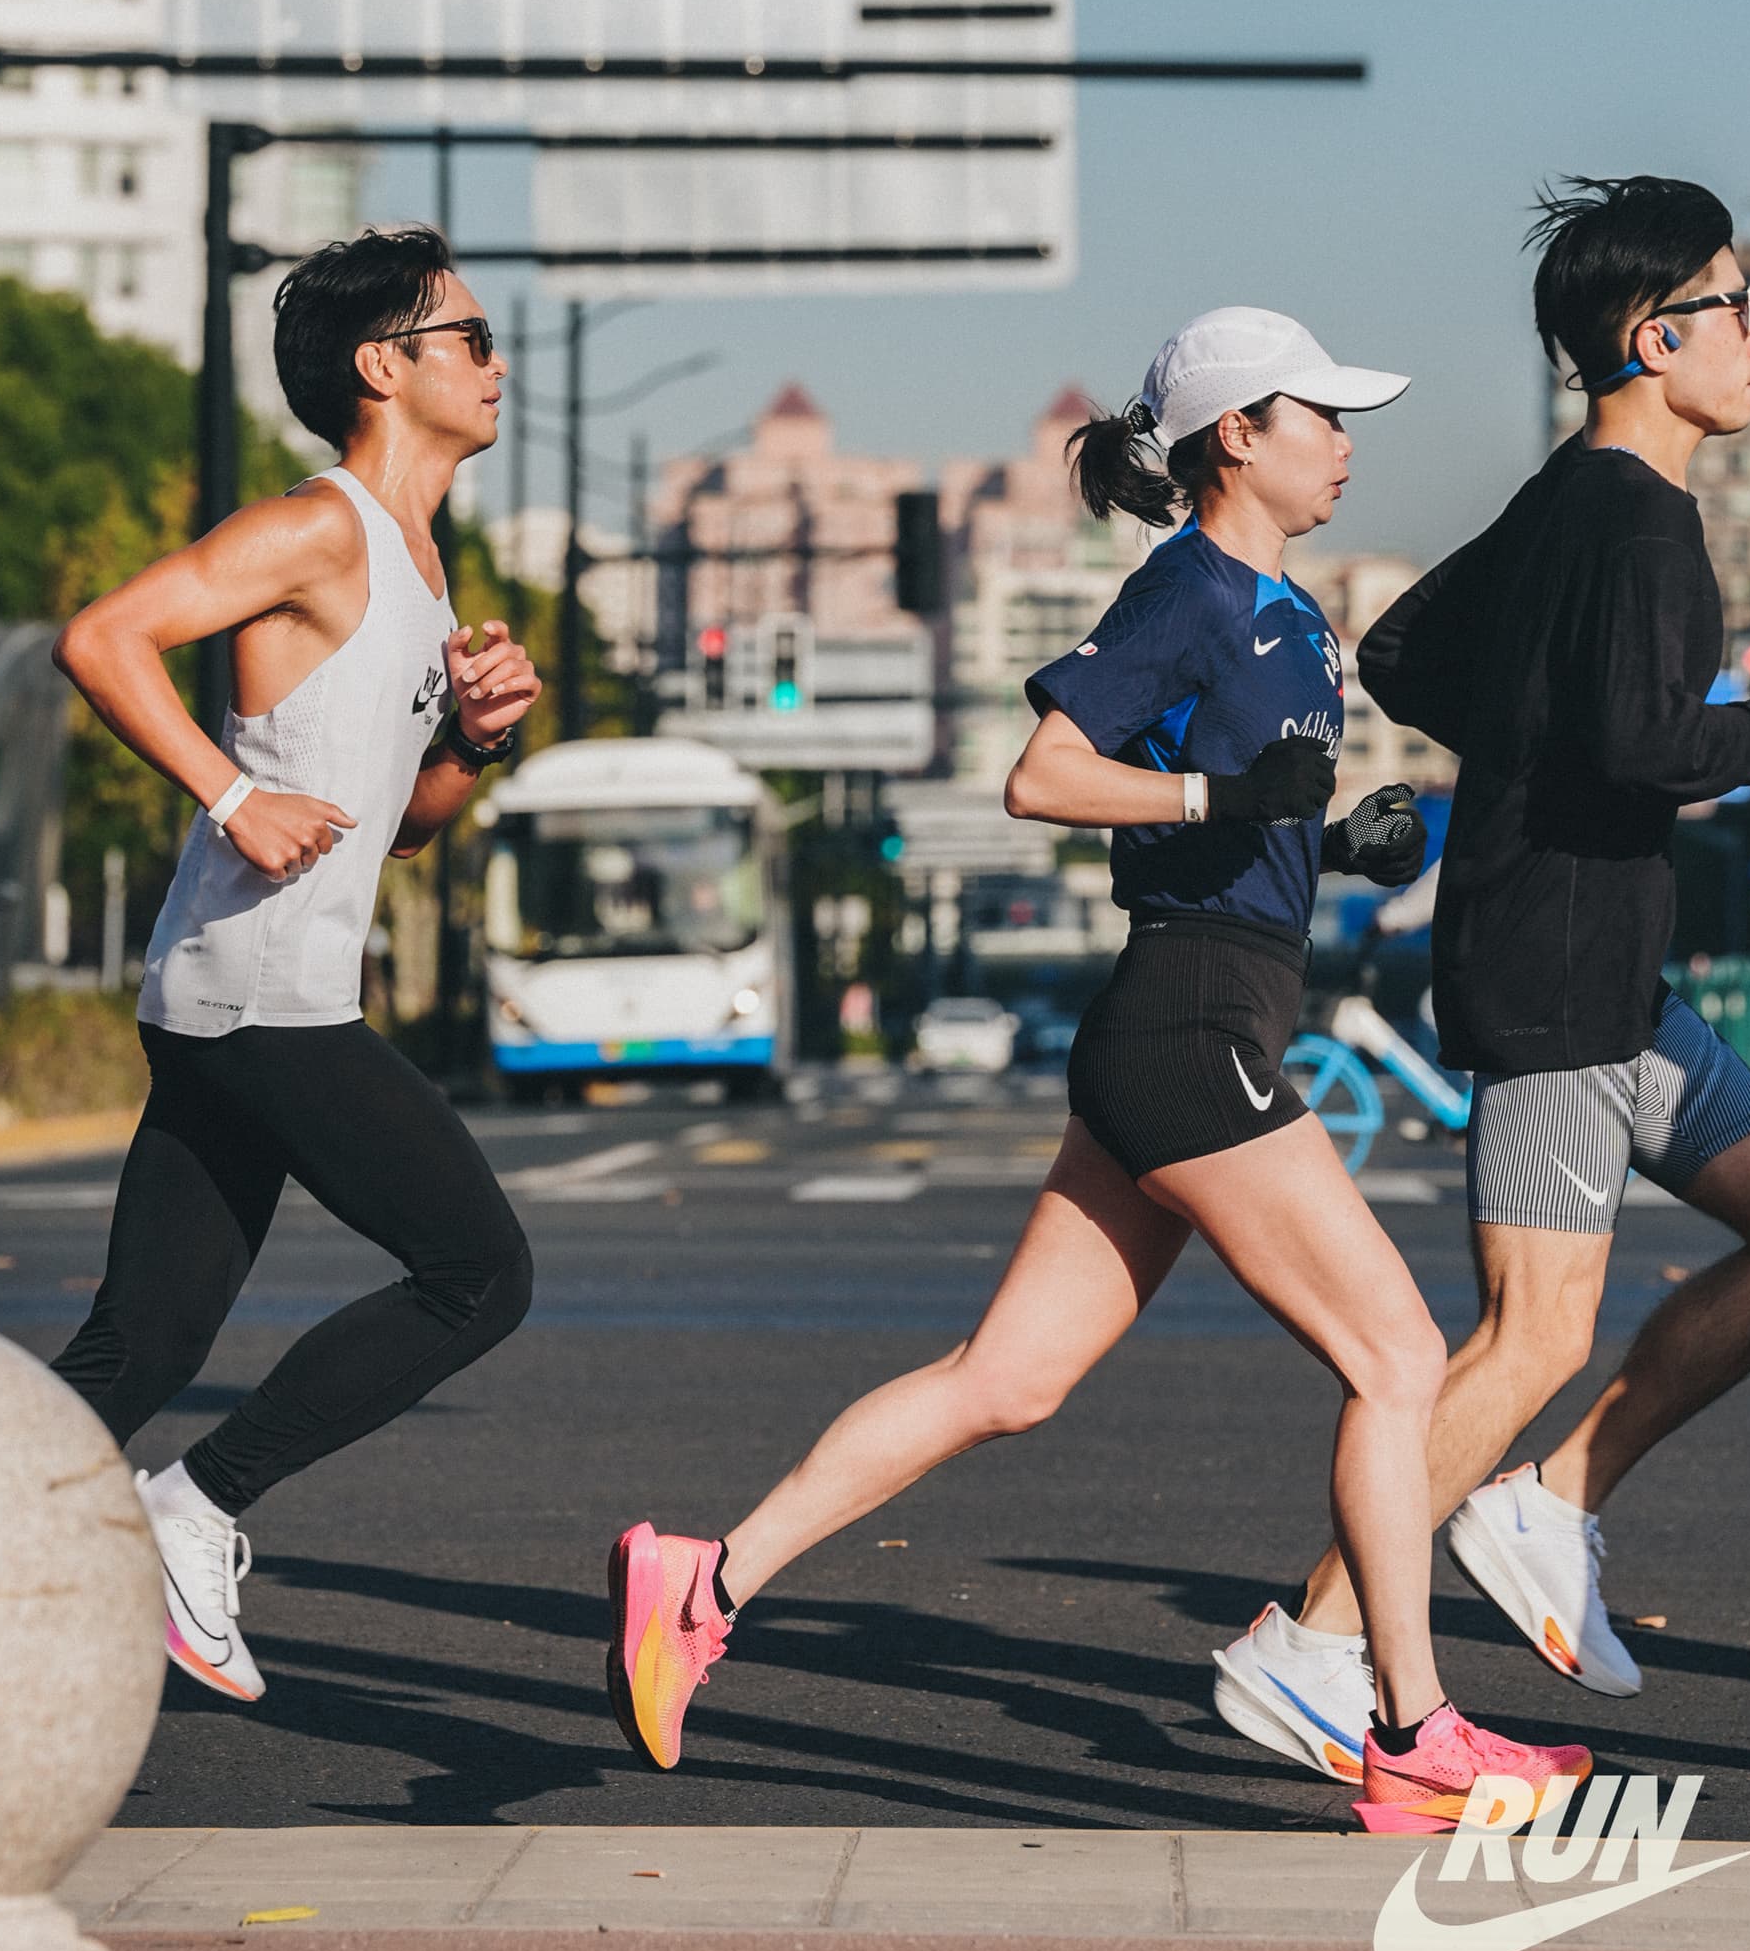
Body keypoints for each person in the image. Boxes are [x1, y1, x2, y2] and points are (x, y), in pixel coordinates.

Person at [605, 307, 1590, 1831]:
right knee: (1399, 1362)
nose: (1346, 440)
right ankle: (1412, 1731)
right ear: (1234, 436)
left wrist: (1325, 839)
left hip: (1216, 1011)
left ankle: (701, 1581)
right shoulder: (1186, 592)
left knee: (1006, 1381)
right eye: (1318, 413)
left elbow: (1221, 814)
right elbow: (1045, 773)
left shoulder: (1297, 615)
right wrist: (1218, 790)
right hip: (1187, 1027)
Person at [1220, 177, 1750, 1771]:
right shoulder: (1640, 526)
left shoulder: (1571, 493)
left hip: (1611, 966)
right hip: (1557, 973)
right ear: (1654, 341)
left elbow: (1402, 655)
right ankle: (1305, 1644)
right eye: (1730, 308)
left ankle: (1553, 1499)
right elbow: (1650, 745)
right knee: (1527, 1337)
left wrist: (1521, 762)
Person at [51, 226, 543, 1704]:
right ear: (383, 368)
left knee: (139, 1346)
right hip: (266, 994)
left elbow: (400, 838)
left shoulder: (417, 561)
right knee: (478, 1274)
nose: (494, 360)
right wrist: (228, 794)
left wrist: (476, 738)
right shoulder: (319, 527)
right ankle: (194, 1511)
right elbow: (106, 636)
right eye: (467, 337)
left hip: (240, 989)